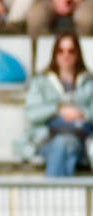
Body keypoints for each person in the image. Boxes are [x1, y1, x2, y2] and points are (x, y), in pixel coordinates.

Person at [17, 33, 93, 176]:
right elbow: (31, 113)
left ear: (78, 55)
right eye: (61, 51)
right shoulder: (41, 82)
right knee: (64, 144)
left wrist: (81, 113)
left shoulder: (89, 83)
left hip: (84, 138)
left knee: (67, 145)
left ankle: (53, 196)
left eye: (71, 51)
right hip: (47, 137)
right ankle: (57, 195)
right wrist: (58, 110)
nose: (66, 56)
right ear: (54, 54)